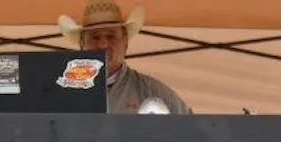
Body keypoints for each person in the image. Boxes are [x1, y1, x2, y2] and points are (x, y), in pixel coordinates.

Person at [57, 2, 191, 115]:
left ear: (125, 43)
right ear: (82, 45)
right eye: (95, 37)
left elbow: (195, 132)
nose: (103, 44)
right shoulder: (62, 92)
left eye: (111, 36)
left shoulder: (152, 92)